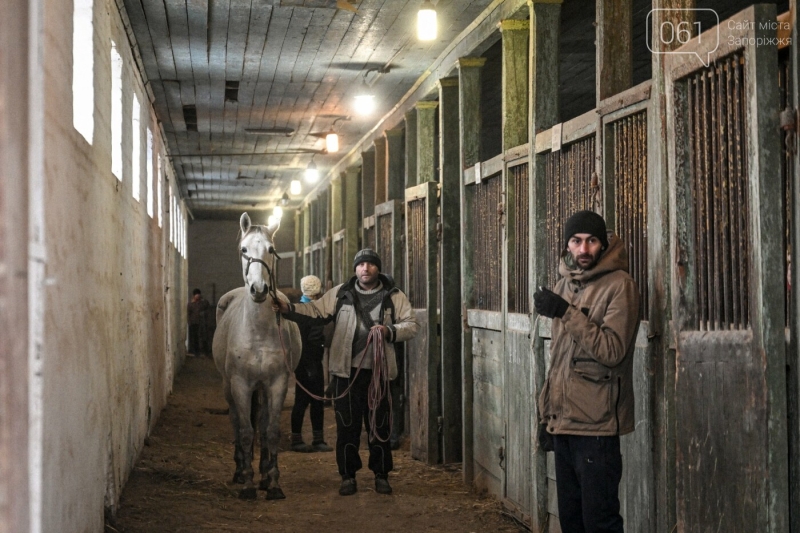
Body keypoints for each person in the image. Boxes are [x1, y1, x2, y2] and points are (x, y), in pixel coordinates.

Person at [273, 249, 419, 496]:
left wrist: (389, 331)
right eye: (361, 264)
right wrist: (288, 308)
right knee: (347, 427)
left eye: (370, 264)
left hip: (378, 374)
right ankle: (348, 476)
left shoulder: (393, 296)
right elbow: (316, 311)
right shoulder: (341, 293)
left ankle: (381, 475)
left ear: (378, 268)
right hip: (346, 373)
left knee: (379, 427)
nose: (365, 268)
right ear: (355, 269)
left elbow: (411, 325)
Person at [534, 210, 640, 533]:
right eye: (576, 241)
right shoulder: (564, 283)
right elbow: (559, 361)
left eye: (592, 241)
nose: (583, 250)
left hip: (597, 427)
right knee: (571, 521)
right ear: (567, 244)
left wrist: (566, 312)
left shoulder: (621, 286)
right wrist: (546, 416)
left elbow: (612, 351)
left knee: (600, 522)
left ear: (603, 244)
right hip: (565, 425)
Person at [289, 275, 333, 453]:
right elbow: (306, 341)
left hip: (308, 361)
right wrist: (309, 365)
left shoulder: (300, 310)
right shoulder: (308, 312)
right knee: (306, 400)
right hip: (309, 361)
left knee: (309, 400)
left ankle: (310, 439)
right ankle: (304, 439)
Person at [187, 288, 210, 356]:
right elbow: (189, 314)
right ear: (194, 296)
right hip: (194, 323)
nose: (198, 296)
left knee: (204, 336)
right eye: (196, 295)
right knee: (195, 337)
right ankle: (196, 352)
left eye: (198, 295)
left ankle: (205, 351)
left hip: (202, 322)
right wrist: (189, 322)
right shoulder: (191, 304)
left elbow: (207, 306)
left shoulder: (202, 303)